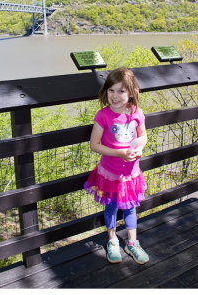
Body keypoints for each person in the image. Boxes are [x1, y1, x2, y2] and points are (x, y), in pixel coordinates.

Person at [84, 67, 149, 264]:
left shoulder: (136, 113)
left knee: (130, 208)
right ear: (106, 91)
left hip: (131, 173)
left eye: (121, 91)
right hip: (110, 173)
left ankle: (132, 243)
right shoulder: (103, 116)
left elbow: (144, 136)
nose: (115, 95)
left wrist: (139, 148)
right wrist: (120, 153)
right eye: (111, 90)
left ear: (131, 93)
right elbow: (94, 145)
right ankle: (112, 240)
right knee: (111, 206)